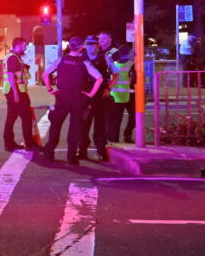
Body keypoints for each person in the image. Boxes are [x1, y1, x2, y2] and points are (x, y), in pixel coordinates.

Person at [40, 36, 103, 166]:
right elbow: (99, 78)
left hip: (62, 96)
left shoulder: (61, 59)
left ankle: (49, 153)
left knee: (56, 125)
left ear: (70, 46)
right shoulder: (84, 62)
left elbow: (45, 74)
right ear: (81, 47)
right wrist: (90, 94)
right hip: (77, 98)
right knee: (75, 129)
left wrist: (50, 89)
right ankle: (71, 158)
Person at [1, 37, 39, 151]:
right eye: (24, 46)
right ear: (18, 46)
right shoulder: (13, 58)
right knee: (26, 118)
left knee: (11, 117)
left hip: (12, 91)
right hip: (17, 91)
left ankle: (9, 143)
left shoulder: (12, 57)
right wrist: (16, 94)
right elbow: (11, 76)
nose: (25, 48)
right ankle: (29, 144)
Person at [79, 35, 112, 161]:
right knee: (83, 125)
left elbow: (115, 74)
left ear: (98, 45)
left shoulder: (105, 57)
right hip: (85, 96)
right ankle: (82, 151)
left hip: (100, 97)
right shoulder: (81, 57)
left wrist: (108, 88)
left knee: (100, 125)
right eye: (88, 44)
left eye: (93, 44)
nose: (91, 46)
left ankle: (101, 150)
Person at [108, 44, 135, 143]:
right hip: (129, 95)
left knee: (115, 120)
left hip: (115, 96)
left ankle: (113, 140)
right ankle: (127, 135)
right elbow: (135, 80)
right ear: (129, 53)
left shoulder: (114, 64)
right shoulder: (131, 64)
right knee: (134, 117)